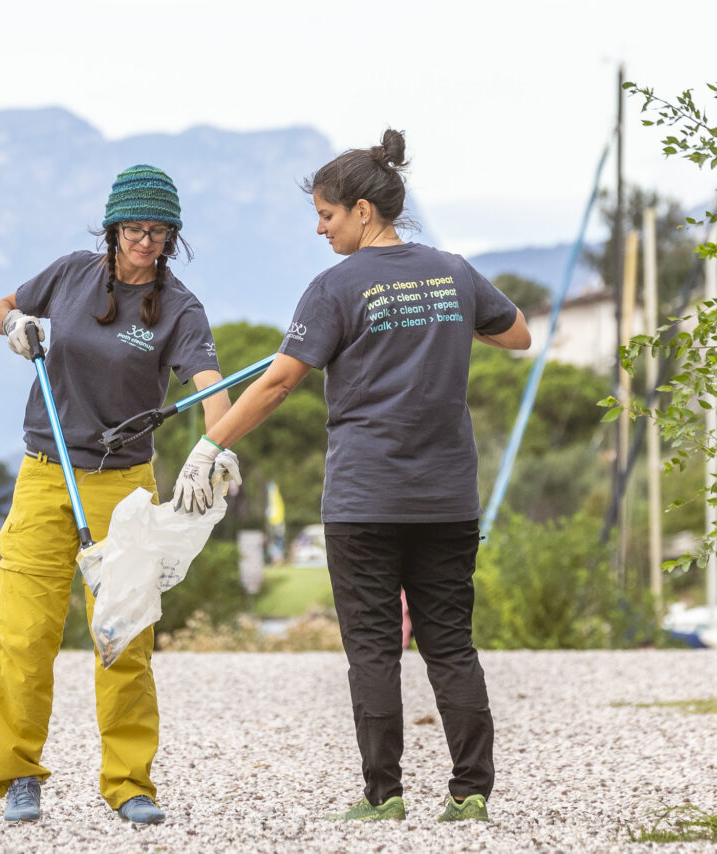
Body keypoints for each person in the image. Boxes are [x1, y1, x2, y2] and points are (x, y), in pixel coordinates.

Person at [172, 130, 531, 824]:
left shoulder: (335, 286)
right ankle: (471, 794)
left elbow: (278, 384)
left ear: (364, 211)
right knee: (450, 643)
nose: (320, 227)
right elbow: (516, 335)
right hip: (447, 499)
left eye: (328, 215)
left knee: (372, 649)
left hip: (366, 499)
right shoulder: (455, 272)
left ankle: (384, 796)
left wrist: (210, 444)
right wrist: (444, 321)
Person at [0, 164, 232, 826]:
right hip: (46, 470)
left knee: (124, 634)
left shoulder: (179, 308)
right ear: (112, 227)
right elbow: (1, 307)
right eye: (133, 229)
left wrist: (220, 446)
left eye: (158, 232)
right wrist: (15, 327)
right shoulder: (69, 274)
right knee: (22, 632)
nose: (144, 243)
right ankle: (16, 776)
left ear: (172, 236)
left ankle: (128, 782)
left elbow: (210, 386)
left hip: (124, 484)